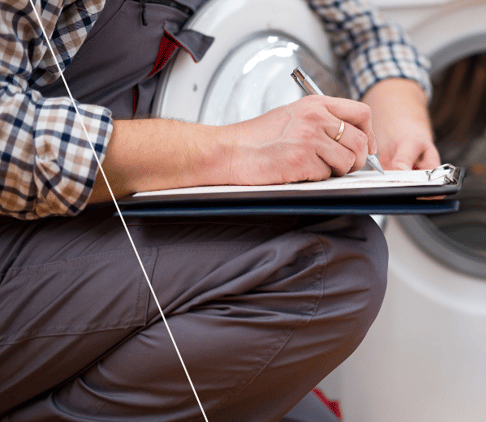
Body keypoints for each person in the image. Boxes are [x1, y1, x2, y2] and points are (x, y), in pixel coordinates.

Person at [0, 0, 439, 420]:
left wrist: (399, 118)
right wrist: (233, 148)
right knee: (328, 265)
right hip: (26, 232)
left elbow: (367, 32)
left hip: (129, 222)